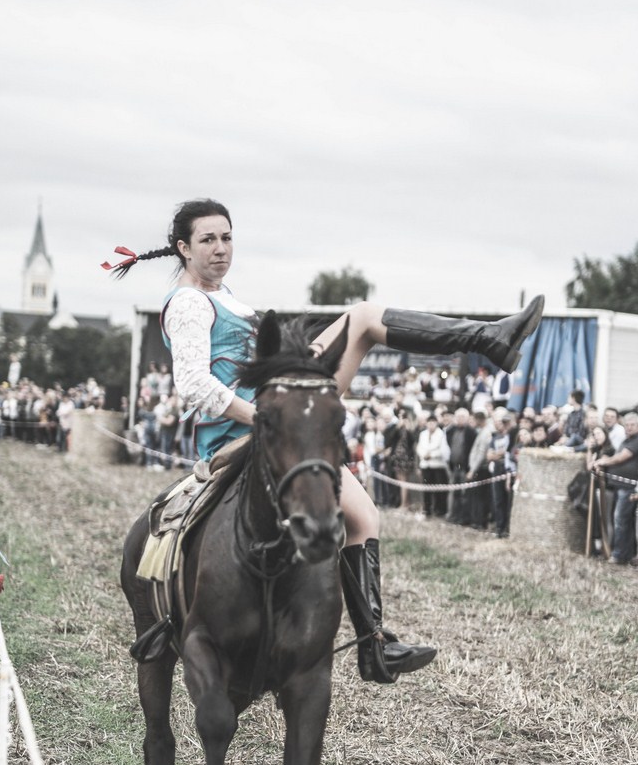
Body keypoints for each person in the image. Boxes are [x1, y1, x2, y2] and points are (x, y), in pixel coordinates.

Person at [103, 198, 544, 684]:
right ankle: (375, 644)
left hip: (280, 413)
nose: (221, 248)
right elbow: (193, 385)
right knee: (364, 512)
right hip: (249, 434)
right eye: (208, 240)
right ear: (183, 248)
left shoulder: (223, 294)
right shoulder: (188, 302)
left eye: (227, 237)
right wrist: (268, 419)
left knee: (365, 316)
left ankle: (489, 339)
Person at [592, 411, 638, 565]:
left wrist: (604, 462)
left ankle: (619, 554)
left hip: (629, 487)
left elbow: (621, 457)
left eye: (632, 425)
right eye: (627, 425)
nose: (628, 428)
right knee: (621, 520)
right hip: (620, 486)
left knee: (621, 520)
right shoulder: (628, 439)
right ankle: (623, 553)